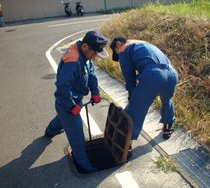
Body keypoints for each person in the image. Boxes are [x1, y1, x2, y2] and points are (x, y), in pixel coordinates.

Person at [45, 31, 108, 173]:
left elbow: (91, 75)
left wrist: (95, 92)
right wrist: (71, 106)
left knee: (61, 119)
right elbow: (62, 87)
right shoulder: (72, 61)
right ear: (86, 46)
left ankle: (50, 131)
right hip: (66, 102)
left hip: (75, 98)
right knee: (78, 137)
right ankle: (84, 165)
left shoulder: (86, 53)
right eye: (95, 54)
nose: (95, 57)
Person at [110, 36, 178, 142]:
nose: (119, 55)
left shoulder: (124, 49)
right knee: (167, 100)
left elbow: (130, 79)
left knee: (136, 110)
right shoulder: (142, 43)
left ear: (118, 44)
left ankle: (127, 145)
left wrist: (132, 99)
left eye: (116, 52)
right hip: (172, 73)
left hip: (154, 75)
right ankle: (168, 128)